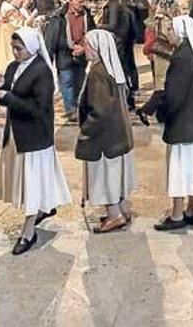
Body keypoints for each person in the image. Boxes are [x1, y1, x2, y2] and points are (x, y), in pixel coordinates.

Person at [0, 27, 72, 255]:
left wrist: (8, 97)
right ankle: (42, 209)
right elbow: (9, 95)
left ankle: (28, 232)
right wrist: (1, 88)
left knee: (32, 186)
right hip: (17, 136)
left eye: (19, 48)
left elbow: (38, 108)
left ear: (32, 47)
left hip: (35, 137)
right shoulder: (13, 67)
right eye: (13, 48)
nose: (15, 52)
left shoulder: (42, 71)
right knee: (27, 184)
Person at [153, 15, 193, 231]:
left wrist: (160, 111)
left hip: (183, 124)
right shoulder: (192, 53)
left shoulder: (181, 57)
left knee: (179, 169)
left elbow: (174, 95)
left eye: (170, 29)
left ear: (179, 32)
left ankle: (177, 214)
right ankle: (191, 209)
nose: (167, 32)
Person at [77, 29, 136, 233]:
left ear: (96, 47)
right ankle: (122, 209)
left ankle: (114, 215)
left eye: (86, 44)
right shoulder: (111, 68)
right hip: (118, 134)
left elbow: (99, 109)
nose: (84, 48)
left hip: (103, 137)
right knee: (116, 174)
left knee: (105, 176)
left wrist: (86, 130)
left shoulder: (98, 72)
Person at [45, 0, 95, 121]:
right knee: (66, 82)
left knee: (80, 81)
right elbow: (51, 38)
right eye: (79, 1)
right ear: (71, 1)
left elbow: (92, 33)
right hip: (64, 53)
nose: (81, 4)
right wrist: (47, 59)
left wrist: (85, 48)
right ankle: (71, 110)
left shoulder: (86, 14)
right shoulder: (59, 16)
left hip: (81, 53)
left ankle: (79, 106)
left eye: (83, 1)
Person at [98, 0, 136, 109]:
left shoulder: (113, 5)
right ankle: (125, 99)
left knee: (120, 71)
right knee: (120, 70)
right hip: (118, 41)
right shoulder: (115, 4)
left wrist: (97, 26)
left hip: (117, 42)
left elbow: (113, 25)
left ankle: (126, 98)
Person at [0, 0, 28, 73]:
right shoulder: (10, 10)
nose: (22, 1)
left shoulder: (7, 8)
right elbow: (19, 25)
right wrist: (30, 20)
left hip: (7, 38)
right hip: (9, 39)